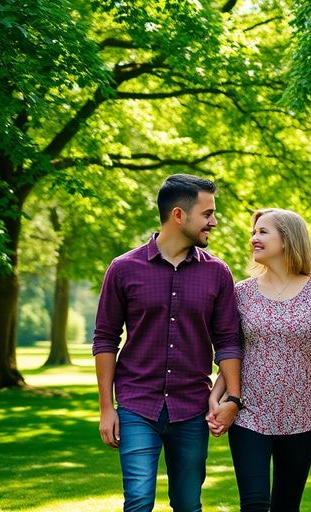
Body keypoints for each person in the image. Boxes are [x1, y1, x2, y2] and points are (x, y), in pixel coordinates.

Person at [93, 174, 243, 512]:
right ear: (179, 215)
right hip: (136, 404)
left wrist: (232, 397)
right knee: (139, 500)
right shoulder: (123, 269)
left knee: (189, 504)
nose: (214, 222)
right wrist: (106, 407)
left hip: (191, 408)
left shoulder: (218, 273)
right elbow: (105, 338)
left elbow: (229, 340)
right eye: (207, 214)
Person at [207, 208, 311, 512]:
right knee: (254, 505)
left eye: (262, 232)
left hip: (301, 416)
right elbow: (233, 350)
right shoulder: (240, 293)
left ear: (287, 239)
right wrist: (217, 397)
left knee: (286, 506)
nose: (253, 238)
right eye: (253, 232)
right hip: (250, 413)